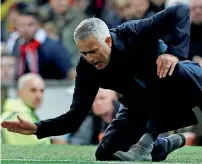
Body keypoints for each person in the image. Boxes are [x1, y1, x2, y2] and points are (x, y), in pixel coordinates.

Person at [1, 4, 202, 162]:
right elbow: (75, 116)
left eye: (92, 51)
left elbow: (180, 11)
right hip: (142, 104)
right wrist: (38, 128)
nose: (88, 58)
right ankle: (160, 146)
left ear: (108, 41)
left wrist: (174, 54)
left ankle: (146, 144)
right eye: (83, 53)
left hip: (184, 82)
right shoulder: (87, 68)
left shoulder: (133, 32)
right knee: (106, 153)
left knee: (168, 69)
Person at [1, 73, 51, 145]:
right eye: (33, 90)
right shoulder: (17, 116)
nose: (39, 95)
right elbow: (36, 148)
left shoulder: (25, 113)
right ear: (19, 93)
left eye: (42, 91)